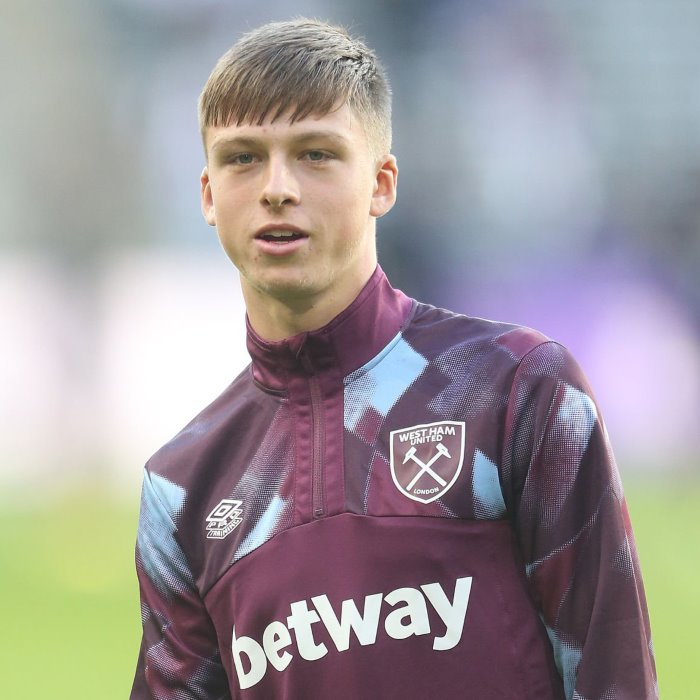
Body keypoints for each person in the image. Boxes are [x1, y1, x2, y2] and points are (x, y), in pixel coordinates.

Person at [130, 18, 658, 700]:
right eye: (243, 159)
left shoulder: (516, 390)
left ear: (381, 183)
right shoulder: (181, 490)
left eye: (316, 154)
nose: (277, 188)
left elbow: (616, 680)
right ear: (208, 195)